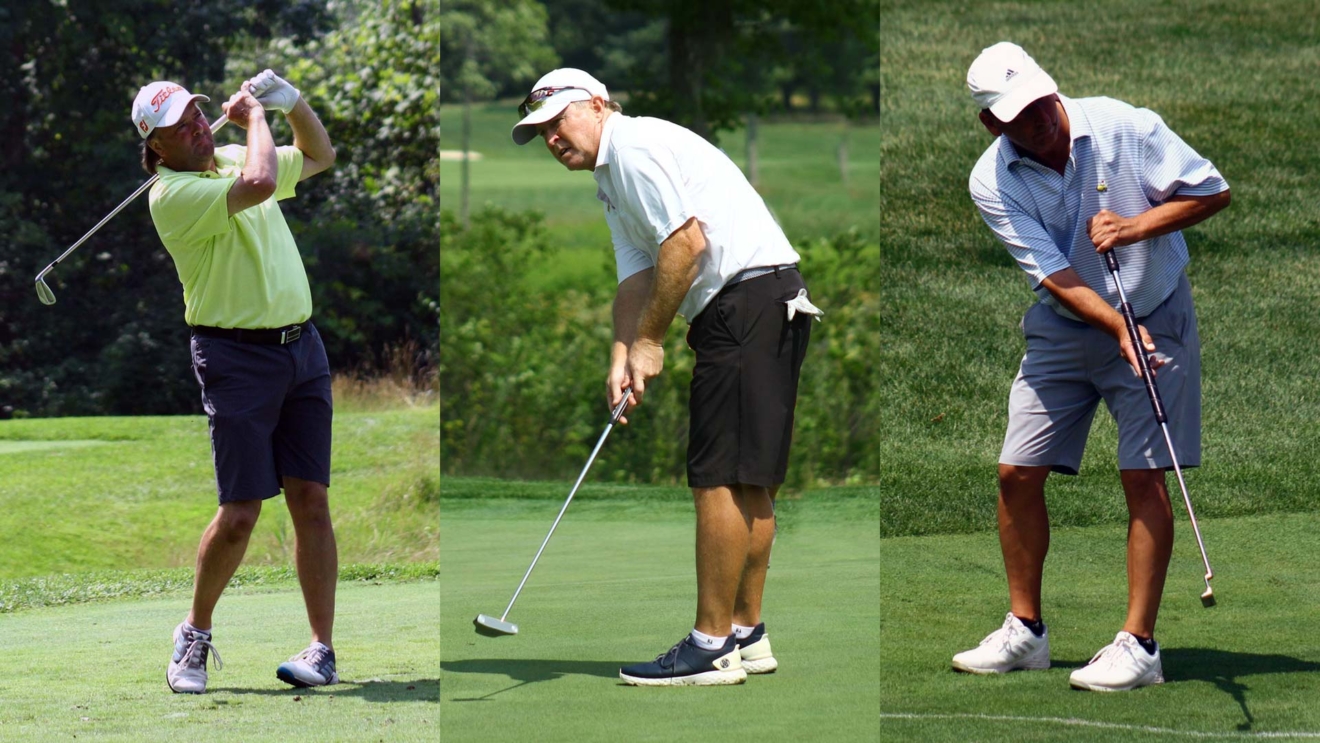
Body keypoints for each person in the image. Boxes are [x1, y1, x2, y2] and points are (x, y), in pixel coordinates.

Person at [510, 69, 821, 687]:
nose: (551, 140)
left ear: (598, 106)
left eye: (557, 123)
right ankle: (747, 634)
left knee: (718, 479)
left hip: (745, 304)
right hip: (764, 303)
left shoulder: (635, 149)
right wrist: (622, 354)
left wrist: (651, 341)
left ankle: (710, 645)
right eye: (540, 132)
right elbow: (637, 274)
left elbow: (685, 246)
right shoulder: (611, 174)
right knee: (748, 479)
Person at [952, 42, 1230, 691]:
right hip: (1067, 322)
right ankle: (1027, 632)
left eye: (1043, 101)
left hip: (1156, 308)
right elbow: (1054, 272)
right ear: (993, 124)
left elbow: (1213, 192)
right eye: (1021, 115)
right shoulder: (991, 180)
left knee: (1143, 475)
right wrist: (1113, 325)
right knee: (1016, 470)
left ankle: (1139, 646)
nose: (1042, 118)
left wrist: (1134, 228)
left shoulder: (1124, 125)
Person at [132, 71, 339, 693]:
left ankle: (322, 649)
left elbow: (321, 156)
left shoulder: (227, 154)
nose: (197, 127)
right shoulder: (169, 195)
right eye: (178, 128)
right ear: (156, 148)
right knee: (242, 511)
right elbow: (262, 180)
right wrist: (255, 117)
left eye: (197, 114)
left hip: (302, 348)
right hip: (235, 360)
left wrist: (291, 102)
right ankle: (193, 634)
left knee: (312, 501)